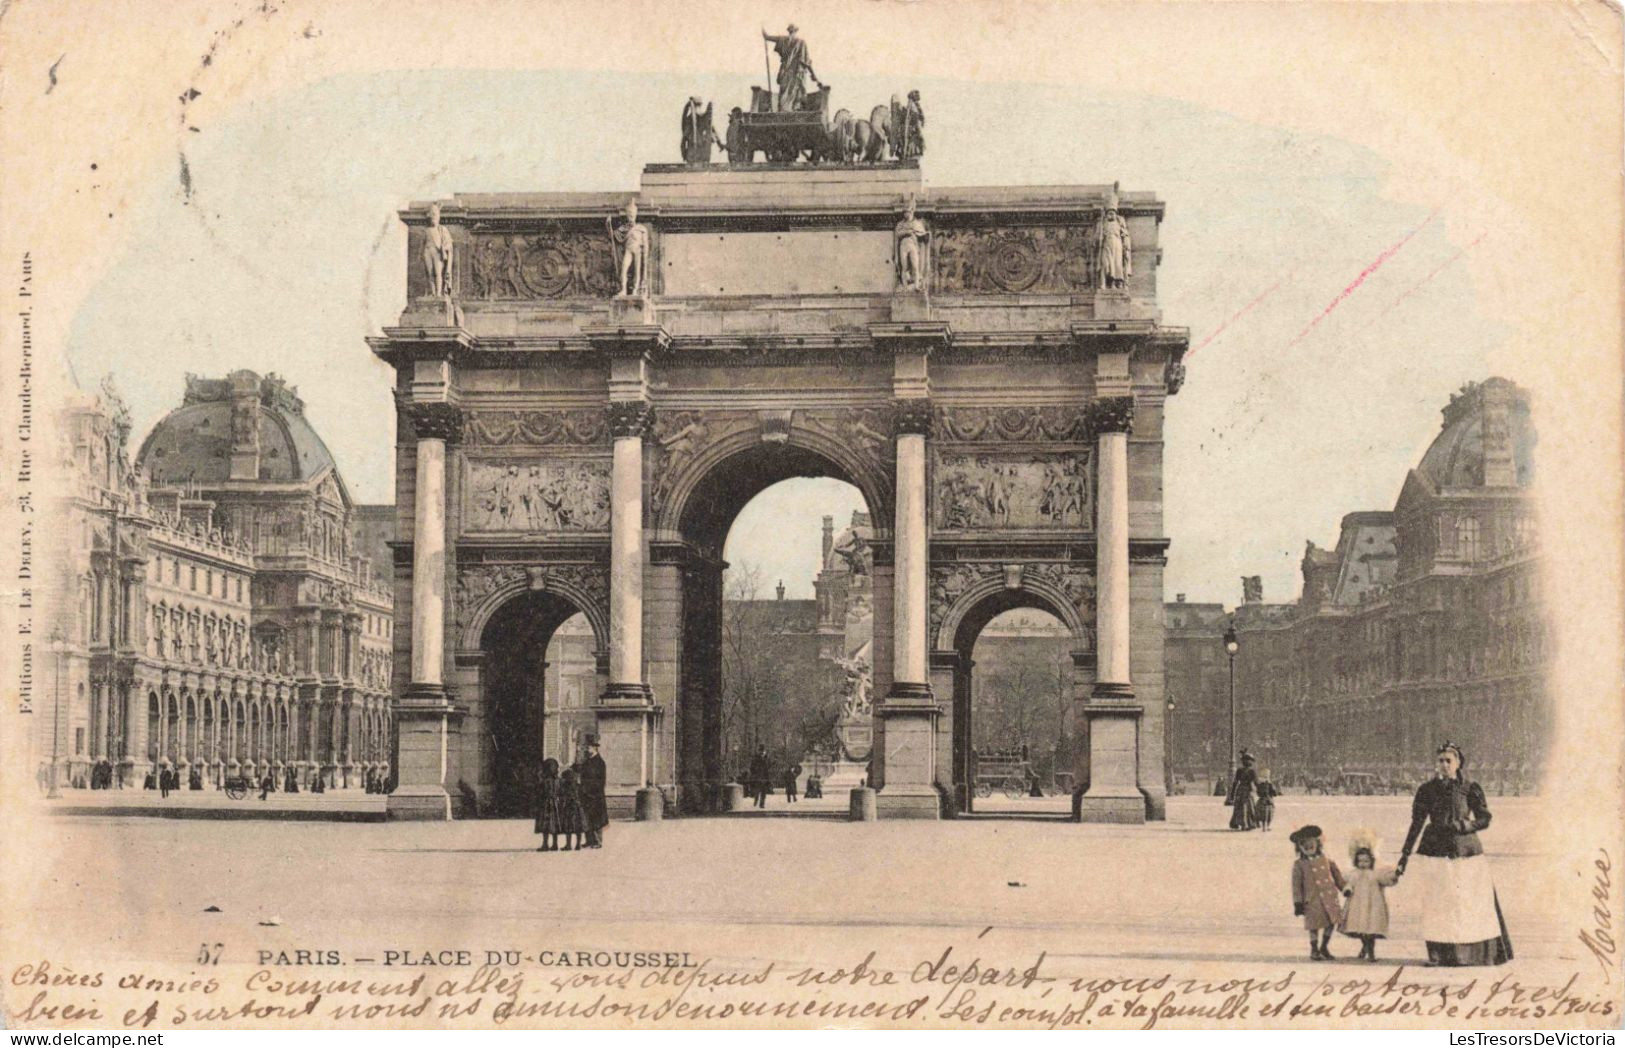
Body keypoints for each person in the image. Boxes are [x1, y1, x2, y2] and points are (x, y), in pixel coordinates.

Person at [1397, 742, 1513, 966]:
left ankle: (1471, 954)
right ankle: (1437, 954)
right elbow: (1417, 823)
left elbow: (1485, 818)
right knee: (1437, 904)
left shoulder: (1470, 788)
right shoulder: (1426, 790)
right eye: (1440, 760)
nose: (1444, 765)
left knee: (1465, 903)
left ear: (1458, 763)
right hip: (1434, 852)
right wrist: (1404, 855)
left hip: (1466, 852)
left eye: (1448, 760)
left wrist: (1465, 826)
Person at [1340, 829, 1401, 962]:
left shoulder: (1376, 873)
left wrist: (1395, 875)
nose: (1363, 864)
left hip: (1373, 906)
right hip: (1358, 906)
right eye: (1360, 861)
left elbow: (1386, 879)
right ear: (1356, 861)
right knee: (1361, 931)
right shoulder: (1354, 873)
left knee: (1371, 931)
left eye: (1366, 861)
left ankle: (1371, 953)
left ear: (1371, 861)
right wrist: (1347, 890)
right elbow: (1348, 883)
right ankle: (1365, 948)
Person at [1290, 824, 1346, 961]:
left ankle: (1324, 947)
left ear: (1318, 844)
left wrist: (1345, 888)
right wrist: (1297, 902)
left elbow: (1338, 877)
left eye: (1311, 845)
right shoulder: (1299, 865)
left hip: (1329, 897)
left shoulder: (1327, 861)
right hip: (1312, 900)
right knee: (1313, 925)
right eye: (1305, 847)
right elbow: (1296, 885)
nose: (1308, 848)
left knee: (1331, 922)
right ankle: (1314, 949)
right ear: (1300, 848)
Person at [761, 24, 820, 112]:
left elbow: (766, 36)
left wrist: (762, 27)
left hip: (785, 71)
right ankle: (793, 110)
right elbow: (806, 61)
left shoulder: (782, 39)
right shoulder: (801, 42)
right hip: (797, 72)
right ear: (796, 31)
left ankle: (783, 111)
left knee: (784, 93)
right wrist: (814, 75)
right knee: (796, 93)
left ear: (788, 30)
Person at [579, 736, 608, 849]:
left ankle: (597, 841)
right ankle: (589, 840)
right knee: (586, 818)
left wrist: (592, 791)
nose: (587, 749)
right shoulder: (587, 761)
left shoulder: (600, 763)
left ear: (595, 748)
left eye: (589, 747)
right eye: (586, 747)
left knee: (597, 818)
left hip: (596, 795)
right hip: (586, 794)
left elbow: (601, 781)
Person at [534, 758, 562, 852]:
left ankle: (545, 844)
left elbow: (541, 792)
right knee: (555, 823)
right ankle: (555, 844)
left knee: (545, 824)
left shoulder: (545, 780)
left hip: (545, 803)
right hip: (556, 803)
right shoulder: (558, 780)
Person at [1227, 752, 1259, 830]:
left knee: (1240, 807)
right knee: (1248, 807)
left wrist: (1232, 794)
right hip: (1248, 790)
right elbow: (1256, 783)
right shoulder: (1252, 771)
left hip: (1241, 790)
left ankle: (1241, 823)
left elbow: (1235, 783)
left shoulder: (1239, 770)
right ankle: (1248, 824)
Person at [557, 767, 586, 851]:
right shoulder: (578, 786)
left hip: (569, 808)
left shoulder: (565, 787)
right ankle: (578, 845)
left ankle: (568, 845)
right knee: (578, 827)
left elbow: (561, 797)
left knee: (568, 827)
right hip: (578, 808)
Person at [1255, 767, 1280, 831]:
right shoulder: (1270, 784)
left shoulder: (1259, 785)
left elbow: (1258, 793)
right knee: (1269, 814)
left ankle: (1263, 826)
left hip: (1261, 801)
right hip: (1269, 800)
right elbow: (1274, 793)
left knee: (1261, 813)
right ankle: (1267, 826)